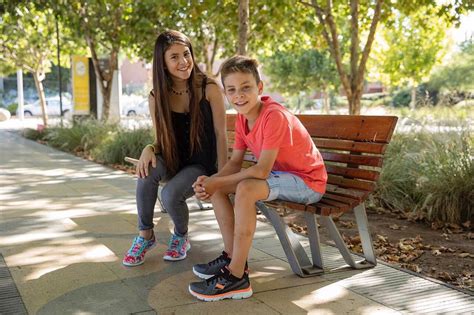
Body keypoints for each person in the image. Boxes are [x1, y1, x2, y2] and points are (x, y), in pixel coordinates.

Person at [188, 55, 327, 301]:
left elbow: (261, 171)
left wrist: (216, 182)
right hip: (282, 175)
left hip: (307, 182)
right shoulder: (242, 118)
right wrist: (210, 181)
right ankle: (232, 257)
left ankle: (236, 276)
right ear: (226, 94)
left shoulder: (274, 116)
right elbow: (234, 163)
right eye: (231, 90)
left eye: (246, 88)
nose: (239, 95)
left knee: (246, 189)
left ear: (259, 88)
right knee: (220, 189)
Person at [122, 30, 227, 267]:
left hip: (201, 163)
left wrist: (221, 176)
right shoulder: (156, 96)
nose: (183, 62)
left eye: (186, 54)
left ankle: (181, 236)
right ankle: (145, 235)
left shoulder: (209, 88)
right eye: (174, 57)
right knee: (146, 170)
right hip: (173, 159)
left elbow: (221, 134)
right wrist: (149, 148)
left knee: (169, 195)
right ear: (163, 63)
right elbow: (161, 138)